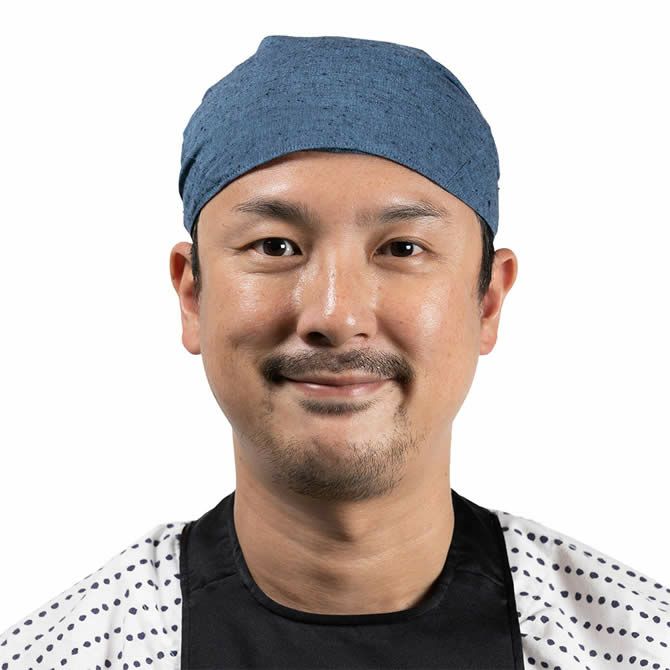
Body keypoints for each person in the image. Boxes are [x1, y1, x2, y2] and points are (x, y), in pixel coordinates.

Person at [1, 34, 667, 670]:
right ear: (193, 296)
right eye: (275, 247)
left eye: (402, 248)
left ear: (487, 300)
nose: (336, 315)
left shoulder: (637, 644)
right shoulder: (65, 653)